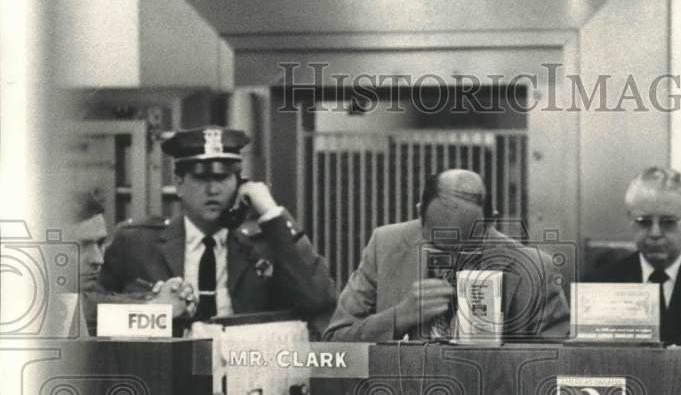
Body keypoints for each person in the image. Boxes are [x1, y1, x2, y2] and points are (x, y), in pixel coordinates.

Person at [98, 126, 336, 331]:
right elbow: (96, 319)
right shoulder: (136, 243)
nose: (213, 190)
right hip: (165, 373)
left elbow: (319, 299)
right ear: (179, 184)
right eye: (202, 179)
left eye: (223, 178)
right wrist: (154, 312)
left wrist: (272, 214)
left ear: (240, 183)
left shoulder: (264, 245)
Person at [324, 169, 569, 341]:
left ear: (490, 220)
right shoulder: (385, 245)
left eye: (465, 247)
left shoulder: (534, 268)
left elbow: (553, 364)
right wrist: (398, 317)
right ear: (420, 214)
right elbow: (335, 341)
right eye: (438, 246)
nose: (451, 261)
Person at [586, 167, 681, 345]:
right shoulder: (602, 285)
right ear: (630, 220)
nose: (655, 233)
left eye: (668, 222)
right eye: (644, 222)